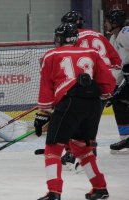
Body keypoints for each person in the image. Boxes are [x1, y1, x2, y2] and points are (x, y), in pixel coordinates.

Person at [34, 23, 115, 200]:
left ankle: (54, 192)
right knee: (82, 148)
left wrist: (43, 112)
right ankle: (100, 188)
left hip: (69, 103)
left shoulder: (51, 55)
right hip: (92, 104)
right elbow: (108, 83)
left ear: (60, 38)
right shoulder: (92, 53)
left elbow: (46, 87)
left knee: (53, 149)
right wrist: (100, 95)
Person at [59, 10, 122, 164]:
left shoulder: (71, 37)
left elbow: (72, 64)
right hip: (105, 85)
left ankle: (72, 153)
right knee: (91, 120)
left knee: (72, 118)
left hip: (85, 85)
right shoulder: (98, 35)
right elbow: (116, 61)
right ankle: (89, 150)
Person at [104, 9, 129, 153]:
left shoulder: (126, 33)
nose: (105, 24)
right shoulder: (113, 39)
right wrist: (111, 87)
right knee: (118, 101)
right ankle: (125, 138)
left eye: (107, 22)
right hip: (127, 77)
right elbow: (118, 66)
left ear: (115, 22)